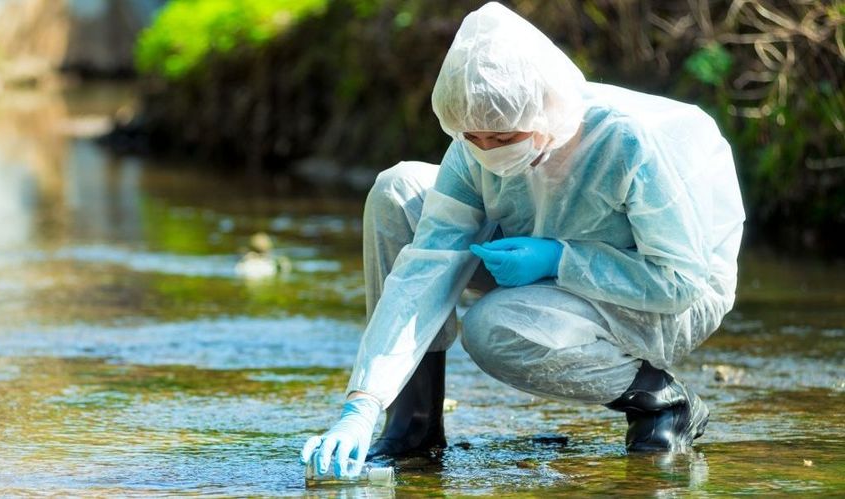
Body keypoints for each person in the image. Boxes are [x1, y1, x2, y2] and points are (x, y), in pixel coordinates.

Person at [300, 2, 745, 478]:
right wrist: (361, 404)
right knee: (399, 189)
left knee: (491, 328)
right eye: (474, 137)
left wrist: (561, 260)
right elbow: (425, 266)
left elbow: (679, 281)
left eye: (504, 137)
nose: (488, 152)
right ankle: (413, 425)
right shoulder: (473, 147)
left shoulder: (627, 144)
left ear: (545, 114)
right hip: (535, 246)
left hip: (662, 293)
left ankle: (660, 400)